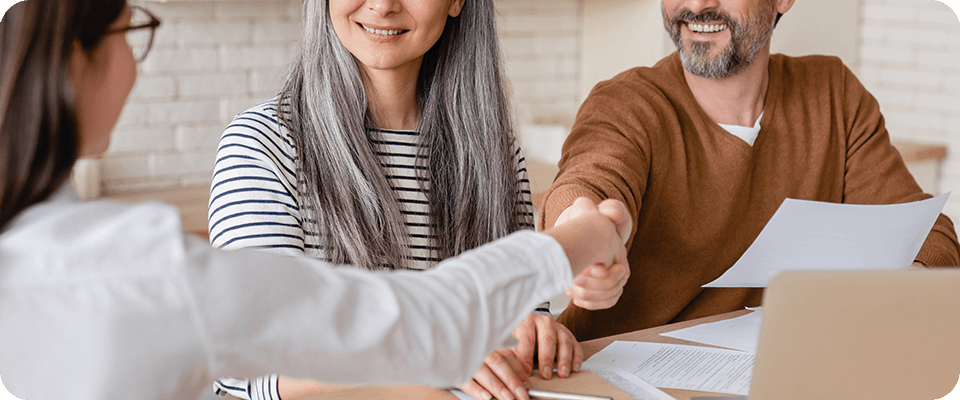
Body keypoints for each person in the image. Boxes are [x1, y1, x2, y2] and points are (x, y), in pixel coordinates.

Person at [0, 1, 632, 399]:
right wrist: (585, 235)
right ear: (77, 62)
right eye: (133, 32)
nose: (383, 4)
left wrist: (527, 329)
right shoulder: (254, 152)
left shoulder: (493, 150)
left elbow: (506, 315)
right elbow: (254, 371)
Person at [206, 1, 628, 399]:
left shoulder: (494, 151)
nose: (383, 5)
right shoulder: (261, 144)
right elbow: (244, 359)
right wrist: (422, 355)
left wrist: (535, 332)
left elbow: (520, 314)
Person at [542, 0, 960, 342]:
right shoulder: (626, 103)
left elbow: (926, 232)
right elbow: (587, 182)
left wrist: (899, 293)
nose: (697, 5)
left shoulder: (834, 94)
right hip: (611, 377)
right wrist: (582, 231)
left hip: (769, 372)